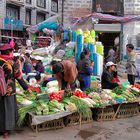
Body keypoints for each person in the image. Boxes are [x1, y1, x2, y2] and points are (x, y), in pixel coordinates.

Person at [0, 44, 31, 138]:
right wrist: (26, 88)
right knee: (8, 110)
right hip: (8, 90)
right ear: (9, 52)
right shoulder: (11, 62)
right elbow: (19, 77)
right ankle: (5, 131)